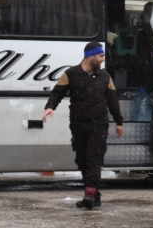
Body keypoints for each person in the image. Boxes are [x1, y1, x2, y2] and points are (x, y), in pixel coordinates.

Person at [42, 42, 124, 209]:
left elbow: (113, 101)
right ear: (90, 56)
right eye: (100, 56)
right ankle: (95, 194)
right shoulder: (70, 74)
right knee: (82, 160)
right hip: (78, 125)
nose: (103, 59)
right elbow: (57, 92)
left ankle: (89, 194)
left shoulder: (105, 76)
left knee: (93, 159)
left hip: (99, 124)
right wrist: (50, 106)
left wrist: (119, 121)